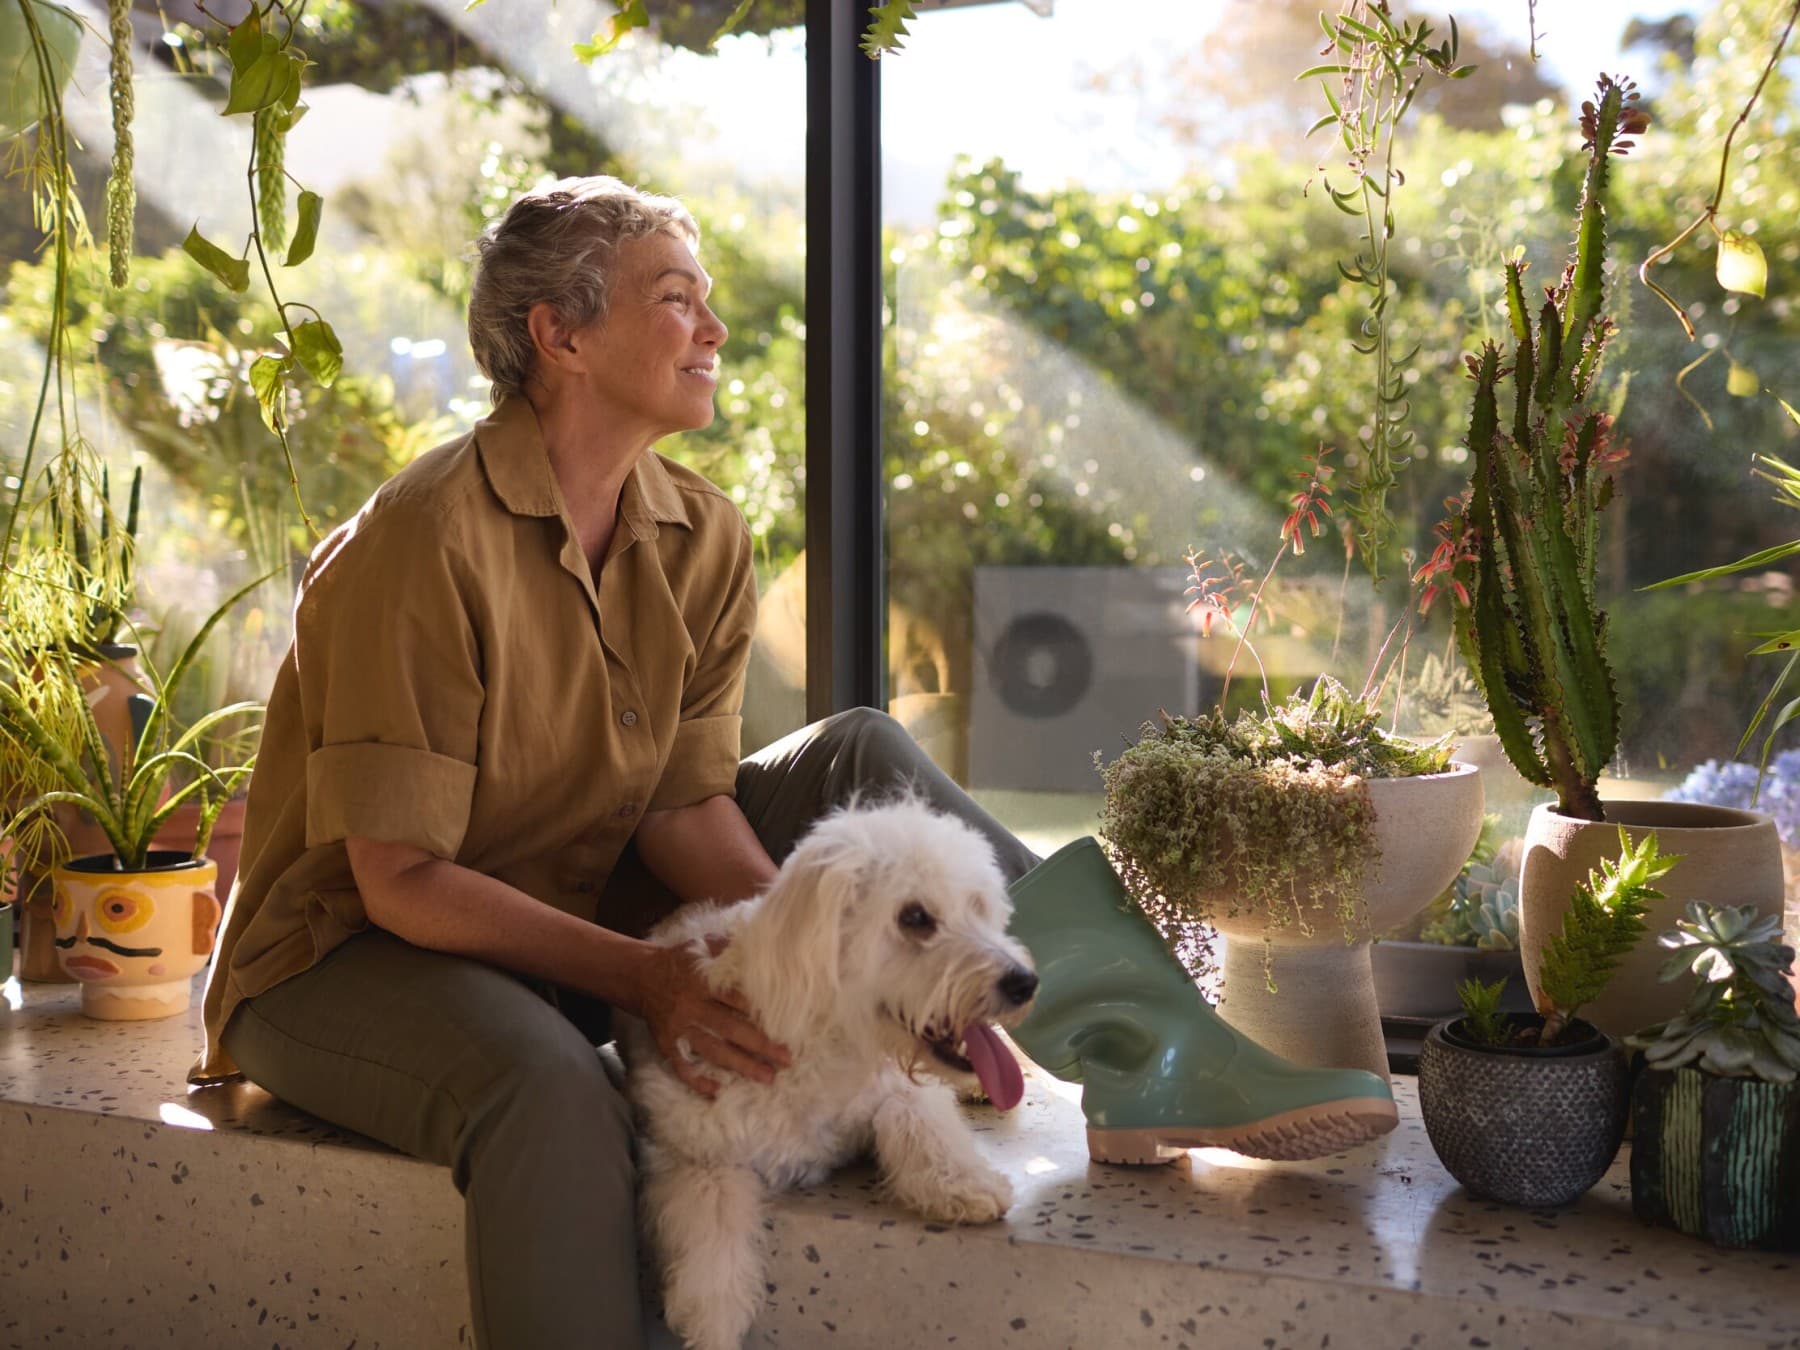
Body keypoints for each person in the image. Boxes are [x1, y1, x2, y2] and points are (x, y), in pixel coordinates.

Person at [192, 176, 1397, 1350]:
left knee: (855, 751)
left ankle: (1143, 1051)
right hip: (350, 953)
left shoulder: (700, 530)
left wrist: (795, 952)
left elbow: (680, 806)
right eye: (676, 298)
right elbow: (400, 877)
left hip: (571, 887)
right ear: (558, 333)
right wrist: (653, 979)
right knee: (552, 1094)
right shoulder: (421, 539)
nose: (714, 327)